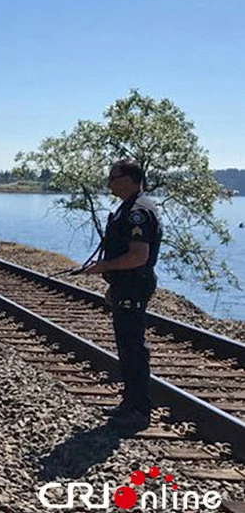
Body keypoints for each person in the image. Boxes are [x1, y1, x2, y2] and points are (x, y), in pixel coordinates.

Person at [82, 159, 162, 430]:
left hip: (134, 285)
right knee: (126, 347)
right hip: (126, 285)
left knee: (133, 348)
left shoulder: (138, 211)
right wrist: (112, 281)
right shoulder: (128, 208)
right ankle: (130, 403)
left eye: (113, 177)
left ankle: (138, 410)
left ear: (128, 179)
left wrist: (105, 267)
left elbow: (139, 256)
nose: (109, 182)